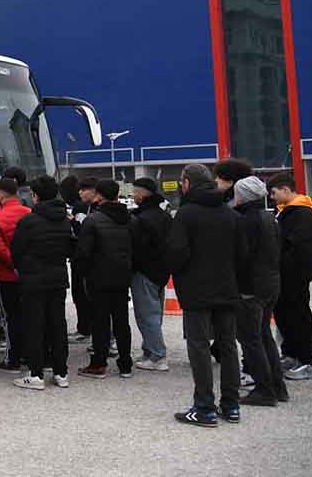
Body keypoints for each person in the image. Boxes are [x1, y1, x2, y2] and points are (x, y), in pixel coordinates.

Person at [168, 164, 243, 427]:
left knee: (199, 347)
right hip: (227, 287)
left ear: (187, 183)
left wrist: (179, 271)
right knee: (228, 345)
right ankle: (231, 404)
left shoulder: (186, 214)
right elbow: (242, 254)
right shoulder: (230, 214)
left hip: (196, 289)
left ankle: (204, 407)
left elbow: (176, 253)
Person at [9, 175, 73, 390]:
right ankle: (61, 371)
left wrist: (23, 267)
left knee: (34, 325)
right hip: (58, 277)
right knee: (58, 324)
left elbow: (15, 250)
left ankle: (36, 373)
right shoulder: (64, 219)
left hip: (32, 279)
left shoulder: (28, 221)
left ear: (35, 196)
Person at [231, 176, 284, 406]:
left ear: (242, 195)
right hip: (271, 281)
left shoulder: (245, 221)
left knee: (251, 339)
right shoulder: (269, 217)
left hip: (250, 287)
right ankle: (278, 386)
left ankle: (264, 389)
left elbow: (242, 256)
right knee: (264, 335)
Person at [74, 179, 135, 380]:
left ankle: (99, 363)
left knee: (100, 321)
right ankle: (125, 363)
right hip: (122, 275)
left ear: (99, 196)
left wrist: (83, 272)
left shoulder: (93, 220)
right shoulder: (129, 218)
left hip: (98, 277)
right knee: (122, 320)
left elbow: (83, 252)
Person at [269, 173, 312, 381]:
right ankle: (290, 354)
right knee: (284, 316)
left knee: (299, 316)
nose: (272, 197)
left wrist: (282, 262)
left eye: (274, 193)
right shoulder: (284, 212)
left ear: (285, 189)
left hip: (295, 275)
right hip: (283, 274)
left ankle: (307, 361)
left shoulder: (301, 213)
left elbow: (299, 248)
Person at [0, 177, 30, 373]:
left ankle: (12, 359)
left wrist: (15, 264)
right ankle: (29, 354)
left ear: (2, 194)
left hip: (5, 275)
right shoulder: (28, 213)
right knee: (27, 314)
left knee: (10, 317)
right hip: (29, 273)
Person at [130, 178, 172, 372]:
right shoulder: (163, 215)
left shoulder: (142, 219)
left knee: (147, 315)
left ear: (143, 193)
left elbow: (138, 248)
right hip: (161, 270)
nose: (132, 195)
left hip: (144, 271)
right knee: (154, 313)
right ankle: (149, 350)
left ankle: (157, 356)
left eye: (134, 192)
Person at [64, 176, 99, 344]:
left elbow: (80, 231)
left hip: (85, 258)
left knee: (84, 295)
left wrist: (71, 221)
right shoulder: (91, 207)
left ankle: (87, 329)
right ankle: (87, 329)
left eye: (84, 189)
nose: (80, 192)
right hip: (86, 258)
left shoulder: (82, 208)